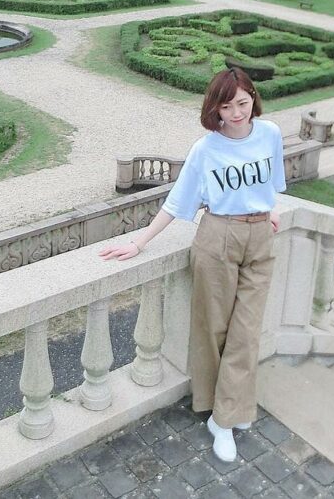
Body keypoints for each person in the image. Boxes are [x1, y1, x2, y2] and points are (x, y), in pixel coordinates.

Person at [100, 66, 285, 462]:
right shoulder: (206, 149)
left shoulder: (270, 134)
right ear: (214, 109)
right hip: (218, 236)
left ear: (253, 97)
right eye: (227, 106)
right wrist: (140, 241)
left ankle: (225, 415)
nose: (237, 112)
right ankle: (220, 411)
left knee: (246, 331)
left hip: (259, 239)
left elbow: (271, 182)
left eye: (243, 102)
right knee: (213, 329)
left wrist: (266, 209)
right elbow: (178, 202)